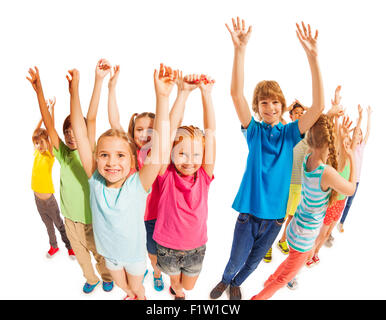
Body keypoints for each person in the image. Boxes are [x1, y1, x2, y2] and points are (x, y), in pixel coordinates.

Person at [210, 18, 325, 300]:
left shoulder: (290, 134)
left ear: (282, 107)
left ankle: (239, 283)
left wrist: (313, 57)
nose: (270, 107)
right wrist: (239, 51)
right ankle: (227, 279)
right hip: (248, 215)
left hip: (275, 219)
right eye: (264, 102)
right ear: (258, 108)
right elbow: (236, 94)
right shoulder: (254, 132)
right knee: (236, 258)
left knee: (253, 262)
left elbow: (319, 106)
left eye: (275, 102)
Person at [68, 64, 174, 300]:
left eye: (120, 156)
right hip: (110, 256)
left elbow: (159, 148)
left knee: (137, 288)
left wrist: (162, 97)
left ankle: (140, 296)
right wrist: (74, 91)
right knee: (122, 286)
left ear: (132, 160)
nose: (111, 162)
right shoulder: (95, 179)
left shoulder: (137, 184)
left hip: (135, 256)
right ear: (96, 158)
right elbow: (81, 131)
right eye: (104, 155)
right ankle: (129, 293)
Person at [26, 61, 114, 294]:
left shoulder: (91, 151)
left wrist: (85, 86)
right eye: (67, 132)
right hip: (70, 220)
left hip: (92, 219)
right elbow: (48, 123)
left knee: (98, 252)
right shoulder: (63, 155)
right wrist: (39, 90)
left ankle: (106, 276)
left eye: (75, 131)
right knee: (82, 257)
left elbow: (91, 118)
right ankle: (91, 278)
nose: (71, 135)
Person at [250, 114, 357, 300]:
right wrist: (352, 155)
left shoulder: (309, 157)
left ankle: (270, 279)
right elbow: (350, 189)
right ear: (328, 142)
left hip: (295, 229)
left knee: (295, 258)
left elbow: (322, 137)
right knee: (285, 278)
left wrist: (337, 129)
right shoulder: (326, 172)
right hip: (304, 237)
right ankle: (259, 297)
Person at [153, 73, 216, 300]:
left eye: (196, 153)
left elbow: (210, 134)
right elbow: (166, 135)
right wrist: (183, 94)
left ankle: (179, 288)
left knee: (189, 287)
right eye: (182, 153)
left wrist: (206, 95)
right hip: (167, 247)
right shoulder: (166, 173)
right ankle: (174, 289)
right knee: (177, 285)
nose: (189, 160)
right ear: (171, 153)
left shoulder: (204, 175)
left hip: (196, 248)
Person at [107, 64, 163, 291]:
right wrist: (111, 88)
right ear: (132, 131)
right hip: (130, 215)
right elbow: (114, 122)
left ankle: (157, 272)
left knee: (153, 252)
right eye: (139, 129)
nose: (144, 134)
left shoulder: (158, 152)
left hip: (153, 215)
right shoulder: (129, 150)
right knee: (133, 251)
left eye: (150, 129)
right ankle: (138, 276)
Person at [264, 100, 308, 264]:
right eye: (297, 114)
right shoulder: (287, 131)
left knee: (292, 216)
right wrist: (289, 108)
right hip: (286, 182)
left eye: (302, 114)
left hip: (300, 184)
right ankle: (267, 245)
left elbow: (317, 116)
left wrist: (305, 108)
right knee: (278, 215)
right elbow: (277, 118)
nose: (300, 116)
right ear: (291, 116)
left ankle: (282, 240)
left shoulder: (307, 133)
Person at [31, 98, 74, 259]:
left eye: (41, 142)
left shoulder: (49, 155)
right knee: (48, 225)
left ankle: (69, 246)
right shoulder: (36, 153)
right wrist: (41, 119)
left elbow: (50, 130)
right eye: (36, 143)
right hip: (37, 199)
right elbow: (36, 130)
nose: (38, 145)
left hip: (49, 200)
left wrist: (50, 111)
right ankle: (53, 246)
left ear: (47, 142)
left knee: (59, 224)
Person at [337, 105, 372, 233]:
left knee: (349, 203)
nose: (359, 135)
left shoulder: (361, 146)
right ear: (353, 135)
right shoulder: (350, 146)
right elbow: (355, 131)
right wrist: (360, 118)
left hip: (356, 180)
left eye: (360, 134)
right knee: (341, 201)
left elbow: (368, 131)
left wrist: (369, 117)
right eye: (357, 133)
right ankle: (335, 219)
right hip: (347, 178)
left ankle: (341, 222)